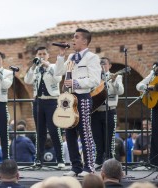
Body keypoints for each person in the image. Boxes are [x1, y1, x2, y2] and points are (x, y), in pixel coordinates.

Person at [55, 28, 101, 177]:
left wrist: (75, 83)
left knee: (84, 132)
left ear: (84, 41)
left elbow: (94, 80)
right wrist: (61, 56)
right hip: (68, 98)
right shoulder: (70, 57)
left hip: (82, 97)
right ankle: (76, 166)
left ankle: (89, 167)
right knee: (69, 133)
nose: (73, 40)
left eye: (76, 37)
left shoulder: (92, 57)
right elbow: (58, 72)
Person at [24, 46, 64, 168]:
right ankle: (38, 159)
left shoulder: (53, 67)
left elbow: (58, 78)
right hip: (38, 102)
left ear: (47, 55)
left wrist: (47, 66)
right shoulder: (35, 69)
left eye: (43, 54)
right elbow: (27, 80)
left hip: (51, 101)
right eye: (39, 54)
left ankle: (60, 159)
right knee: (40, 131)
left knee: (53, 130)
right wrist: (32, 67)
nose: (41, 56)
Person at [91, 57, 124, 168]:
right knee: (97, 138)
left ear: (109, 65)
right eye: (100, 64)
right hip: (95, 112)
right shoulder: (94, 78)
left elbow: (120, 91)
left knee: (109, 138)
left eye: (104, 64)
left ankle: (110, 161)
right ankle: (99, 160)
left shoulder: (117, 76)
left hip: (109, 111)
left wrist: (114, 82)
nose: (102, 66)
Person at [136, 64, 158, 166]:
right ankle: (154, 162)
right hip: (155, 107)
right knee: (155, 134)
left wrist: (154, 87)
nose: (155, 69)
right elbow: (139, 85)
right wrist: (148, 87)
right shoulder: (153, 75)